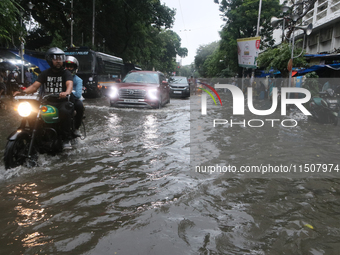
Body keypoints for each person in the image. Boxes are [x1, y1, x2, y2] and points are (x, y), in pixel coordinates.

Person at [13, 47, 74, 150]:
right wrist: (22, 92)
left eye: (60, 58)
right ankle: (34, 134)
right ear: (50, 60)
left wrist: (66, 92)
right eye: (55, 58)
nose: (58, 61)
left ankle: (65, 138)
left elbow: (69, 84)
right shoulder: (45, 73)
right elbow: (34, 86)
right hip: (46, 101)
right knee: (32, 111)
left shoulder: (66, 73)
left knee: (65, 111)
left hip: (61, 101)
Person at [65, 56, 84, 136]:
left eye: (71, 67)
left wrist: (67, 93)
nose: (69, 68)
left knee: (80, 106)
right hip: (60, 99)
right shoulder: (61, 77)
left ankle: (76, 128)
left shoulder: (78, 80)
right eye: (67, 66)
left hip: (72, 100)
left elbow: (78, 94)